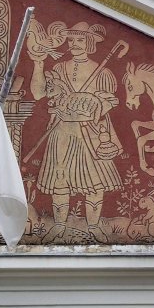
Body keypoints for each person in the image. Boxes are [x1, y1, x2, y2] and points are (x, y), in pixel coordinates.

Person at [30, 22, 123, 243]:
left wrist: (89, 105)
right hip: (63, 130)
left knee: (94, 182)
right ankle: (59, 226)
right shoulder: (59, 69)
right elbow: (38, 93)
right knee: (60, 179)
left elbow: (109, 102)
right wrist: (38, 63)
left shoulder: (102, 72)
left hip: (91, 132)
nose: (74, 44)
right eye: (71, 40)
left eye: (80, 40)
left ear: (89, 43)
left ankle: (93, 227)